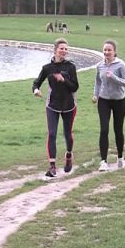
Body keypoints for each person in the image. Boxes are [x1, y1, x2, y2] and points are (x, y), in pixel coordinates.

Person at [32, 38, 79, 178]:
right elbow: (36, 83)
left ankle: (69, 155)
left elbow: (75, 87)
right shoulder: (47, 68)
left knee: (67, 134)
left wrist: (64, 80)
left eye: (66, 49)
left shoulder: (70, 67)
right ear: (55, 50)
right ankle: (52, 167)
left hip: (69, 106)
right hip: (52, 105)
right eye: (61, 48)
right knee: (52, 134)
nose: (64, 51)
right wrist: (36, 91)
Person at [92, 39, 125, 171]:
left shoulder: (120, 65)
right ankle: (103, 161)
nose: (106, 52)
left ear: (114, 52)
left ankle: (120, 157)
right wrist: (95, 94)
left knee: (118, 130)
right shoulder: (100, 66)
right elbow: (98, 82)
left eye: (109, 50)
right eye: (105, 50)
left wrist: (114, 77)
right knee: (104, 130)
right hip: (103, 100)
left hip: (119, 101)